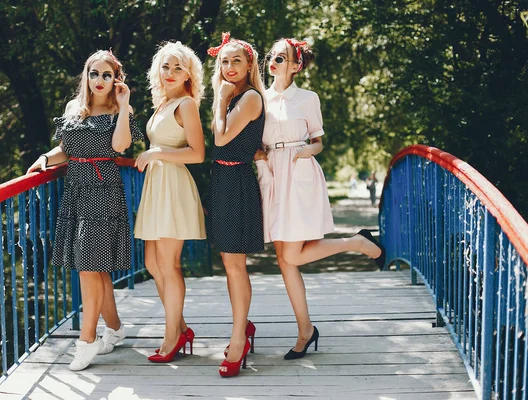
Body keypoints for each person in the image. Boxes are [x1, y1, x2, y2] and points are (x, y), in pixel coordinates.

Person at [254, 38, 386, 360]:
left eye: (281, 58)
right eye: (272, 56)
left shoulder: (307, 98)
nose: (273, 61)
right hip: (272, 175)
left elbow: (318, 142)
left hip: (300, 173)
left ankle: (355, 243)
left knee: (291, 257)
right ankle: (305, 329)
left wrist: (303, 152)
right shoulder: (259, 98)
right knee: (286, 260)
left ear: (296, 66)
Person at [26, 49, 143, 370]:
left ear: (116, 79)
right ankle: (116, 329)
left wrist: (123, 105)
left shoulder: (122, 109)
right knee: (96, 267)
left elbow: (120, 147)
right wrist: (45, 159)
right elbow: (66, 149)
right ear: (86, 76)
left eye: (107, 75)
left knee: (88, 267)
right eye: (94, 74)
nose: (100, 80)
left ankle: (87, 339)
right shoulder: (73, 109)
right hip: (76, 190)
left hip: (103, 191)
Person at [133, 41, 206, 363]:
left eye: (178, 67)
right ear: (157, 71)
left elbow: (198, 153)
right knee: (152, 264)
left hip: (173, 187)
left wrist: (157, 152)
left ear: (189, 73)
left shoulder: (186, 104)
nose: (171, 72)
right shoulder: (164, 103)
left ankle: (172, 337)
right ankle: (182, 328)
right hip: (156, 187)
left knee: (169, 264)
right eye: (166, 66)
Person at [207, 32, 265, 378]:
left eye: (236, 61)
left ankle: (238, 337)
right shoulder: (235, 97)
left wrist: (220, 97)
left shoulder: (250, 97)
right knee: (229, 263)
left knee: (235, 265)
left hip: (238, 183)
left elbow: (220, 136)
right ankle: (242, 326)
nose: (229, 67)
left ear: (248, 66)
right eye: (224, 61)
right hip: (223, 180)